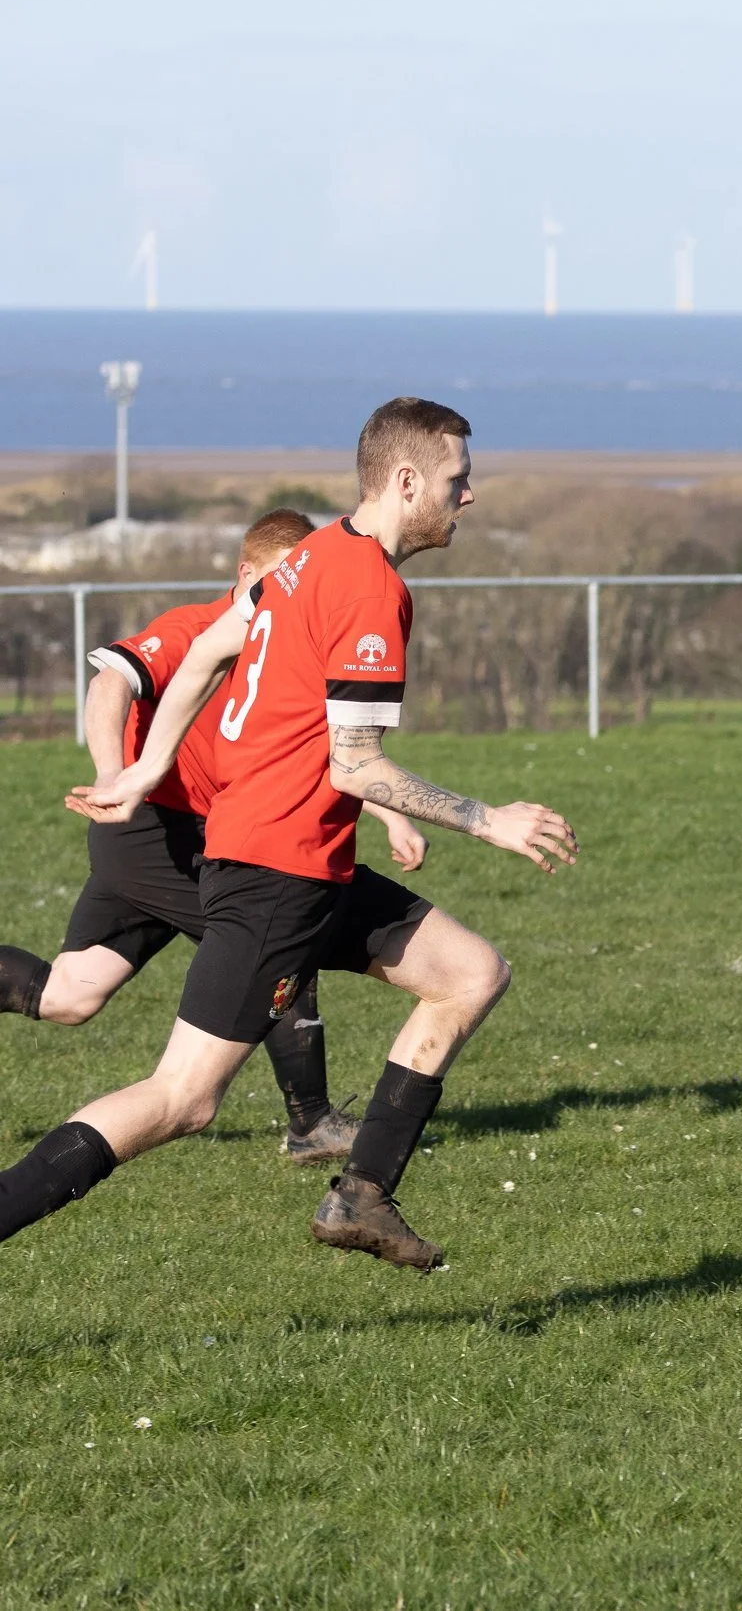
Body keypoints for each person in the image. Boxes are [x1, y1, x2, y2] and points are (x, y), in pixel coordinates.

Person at [0, 397, 577, 1271]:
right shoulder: (372, 589)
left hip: (299, 865)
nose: (472, 496)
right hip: (276, 874)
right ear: (408, 479)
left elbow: (204, 655)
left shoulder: (310, 555)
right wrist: (486, 819)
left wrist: (150, 764)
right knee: (181, 1098)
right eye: (459, 480)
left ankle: (362, 1193)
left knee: (469, 973)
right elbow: (355, 766)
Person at [0, 508, 426, 1163]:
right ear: (247, 573)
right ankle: (309, 1124)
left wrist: (391, 813)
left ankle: (309, 1124)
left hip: (214, 834)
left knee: (69, 996)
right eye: (281, 581)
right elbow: (110, 682)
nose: (293, 595)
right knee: (279, 936)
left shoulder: (289, 646)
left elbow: (315, 756)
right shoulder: (196, 630)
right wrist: (115, 772)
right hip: (150, 832)